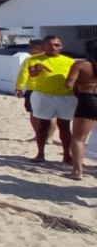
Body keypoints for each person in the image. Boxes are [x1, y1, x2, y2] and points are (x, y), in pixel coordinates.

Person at [26, 36, 76, 164]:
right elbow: (32, 73)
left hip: (66, 97)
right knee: (42, 125)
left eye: (56, 45)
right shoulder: (34, 59)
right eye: (49, 45)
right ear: (43, 46)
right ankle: (40, 154)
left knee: (64, 126)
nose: (53, 47)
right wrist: (35, 71)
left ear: (61, 46)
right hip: (43, 96)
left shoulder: (70, 61)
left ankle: (67, 155)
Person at [65, 39, 97, 180]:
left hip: (88, 99)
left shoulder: (82, 65)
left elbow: (69, 83)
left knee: (79, 138)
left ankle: (77, 172)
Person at [15, 39, 46, 146]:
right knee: (51, 114)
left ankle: (38, 135)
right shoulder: (51, 59)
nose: (30, 49)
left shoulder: (30, 60)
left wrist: (19, 87)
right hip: (50, 89)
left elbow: (23, 74)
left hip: (34, 89)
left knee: (33, 113)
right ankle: (49, 137)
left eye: (33, 47)